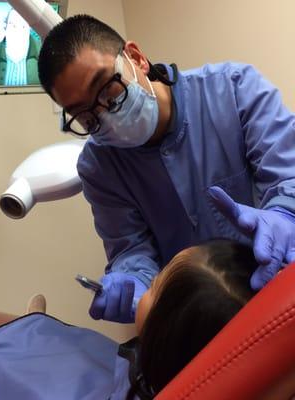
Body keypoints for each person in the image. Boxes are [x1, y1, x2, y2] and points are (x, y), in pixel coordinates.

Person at [37, 14, 295, 323]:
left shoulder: (234, 89)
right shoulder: (98, 167)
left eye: (107, 90)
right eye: (86, 116)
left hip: (277, 286)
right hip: (198, 318)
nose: (105, 116)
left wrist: (284, 213)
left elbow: (288, 174)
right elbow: (131, 249)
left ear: (136, 58)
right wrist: (133, 281)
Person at [0, 240, 260, 400]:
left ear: (165, 333)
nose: (149, 285)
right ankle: (28, 326)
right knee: (77, 346)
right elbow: (128, 239)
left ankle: (3, 336)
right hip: (131, 375)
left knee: (5, 360)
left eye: (155, 285)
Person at [0, 9, 41, 86]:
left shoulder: (40, 49)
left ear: (29, 28)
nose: (17, 30)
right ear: (5, 27)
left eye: (23, 26)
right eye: (12, 25)